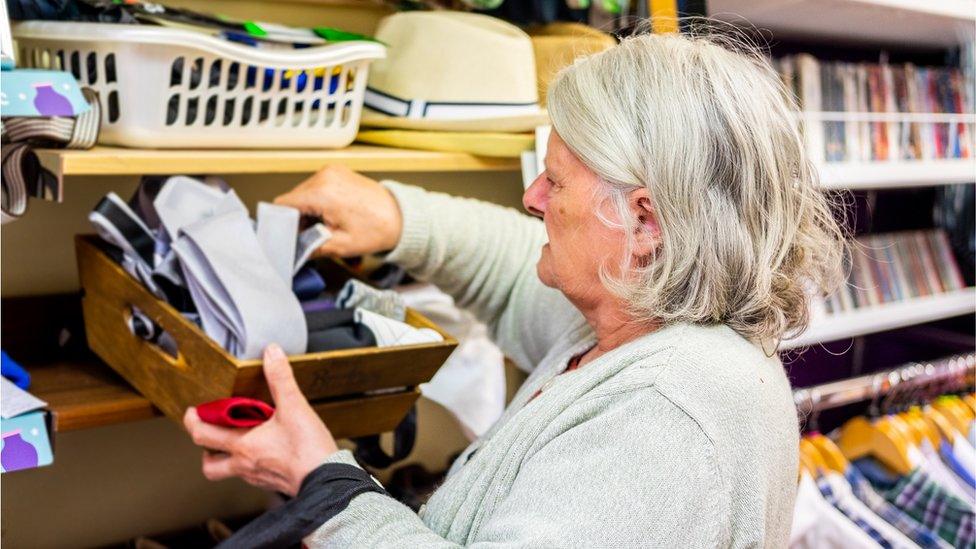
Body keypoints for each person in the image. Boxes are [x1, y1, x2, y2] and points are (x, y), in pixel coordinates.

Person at [183, 27, 846, 547]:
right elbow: (507, 271)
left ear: (643, 220)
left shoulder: (666, 416)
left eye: (554, 181)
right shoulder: (639, 324)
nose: (531, 198)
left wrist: (323, 485)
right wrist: (398, 216)